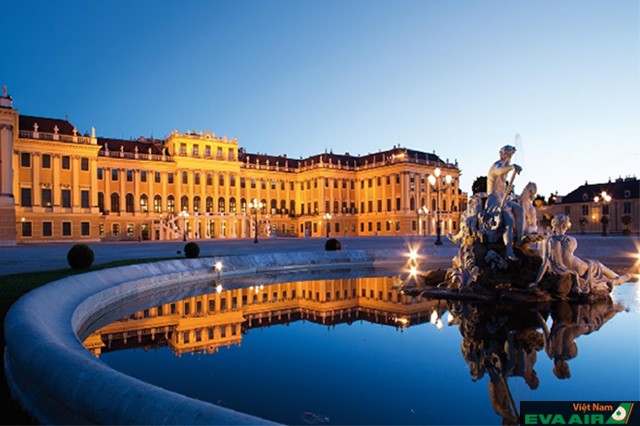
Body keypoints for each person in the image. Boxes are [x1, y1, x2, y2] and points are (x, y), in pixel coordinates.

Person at [531, 215, 630, 292]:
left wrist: (536, 282)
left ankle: (615, 278)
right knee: (597, 265)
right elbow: (570, 252)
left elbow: (545, 263)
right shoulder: (570, 239)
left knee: (595, 267)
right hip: (579, 268)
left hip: (563, 269)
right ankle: (617, 279)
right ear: (565, 225)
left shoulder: (549, 241)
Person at [485, 145, 523, 260]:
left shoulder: (505, 167)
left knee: (519, 209)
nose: (509, 158)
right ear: (503, 154)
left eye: (510, 156)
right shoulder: (497, 165)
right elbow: (498, 172)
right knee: (509, 221)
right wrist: (512, 167)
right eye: (507, 155)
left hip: (503, 198)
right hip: (493, 200)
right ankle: (509, 252)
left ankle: (520, 239)